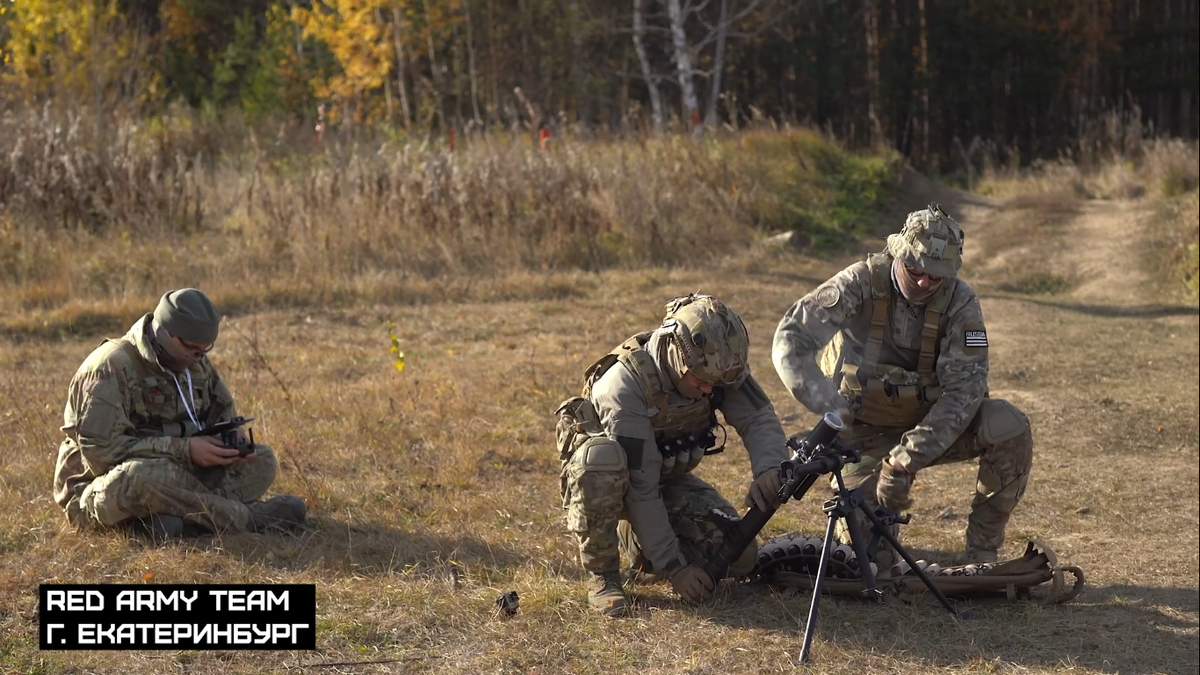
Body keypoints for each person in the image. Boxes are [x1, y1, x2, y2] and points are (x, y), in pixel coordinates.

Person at [771, 204, 1032, 566]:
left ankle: (982, 550)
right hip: (860, 430)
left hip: (929, 426)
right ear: (898, 253)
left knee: (1008, 426)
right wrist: (827, 402)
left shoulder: (961, 303)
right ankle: (876, 531)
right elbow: (791, 338)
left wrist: (906, 460)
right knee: (869, 562)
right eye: (916, 270)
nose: (925, 281)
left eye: (937, 276)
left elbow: (964, 392)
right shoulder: (859, 283)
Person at [555, 294, 790, 617]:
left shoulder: (716, 364)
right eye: (701, 383)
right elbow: (640, 486)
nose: (711, 390)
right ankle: (604, 574)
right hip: (613, 483)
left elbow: (757, 418)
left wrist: (769, 468)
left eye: (716, 384)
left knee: (741, 557)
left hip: (664, 480)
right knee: (601, 459)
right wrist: (674, 568)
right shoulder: (625, 386)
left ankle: (637, 541)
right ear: (675, 352)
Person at [53, 288, 306, 540]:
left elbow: (221, 413)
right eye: (192, 349)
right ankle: (247, 519)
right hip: (102, 488)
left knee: (263, 461)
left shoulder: (192, 361)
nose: (198, 358)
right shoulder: (108, 368)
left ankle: (166, 522)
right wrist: (184, 450)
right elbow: (101, 455)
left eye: (204, 351)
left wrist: (230, 442)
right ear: (164, 332)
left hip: (178, 475)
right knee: (144, 477)